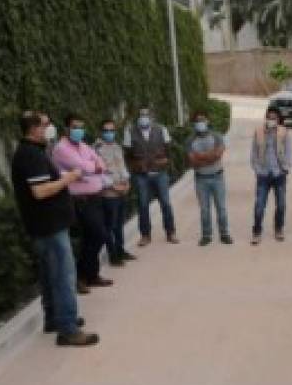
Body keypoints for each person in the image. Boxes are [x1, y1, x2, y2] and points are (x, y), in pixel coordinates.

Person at [10, 111, 99, 347]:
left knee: (50, 274)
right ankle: (68, 328)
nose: (50, 128)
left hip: (45, 225)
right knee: (63, 276)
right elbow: (40, 191)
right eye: (46, 124)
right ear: (34, 129)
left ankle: (53, 318)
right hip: (49, 226)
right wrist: (69, 178)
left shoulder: (34, 152)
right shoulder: (30, 155)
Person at [51, 114, 113, 292]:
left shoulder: (84, 146)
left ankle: (92, 275)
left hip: (95, 197)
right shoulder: (61, 149)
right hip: (80, 201)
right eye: (75, 127)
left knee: (93, 238)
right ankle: (80, 277)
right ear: (66, 129)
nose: (79, 131)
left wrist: (93, 165)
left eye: (81, 127)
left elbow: (100, 161)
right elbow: (85, 167)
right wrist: (93, 166)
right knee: (95, 236)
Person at [123, 105, 178, 246]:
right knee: (142, 205)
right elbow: (127, 155)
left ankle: (170, 232)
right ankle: (145, 235)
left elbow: (169, 149)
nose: (144, 117)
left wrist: (165, 161)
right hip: (141, 175)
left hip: (160, 173)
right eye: (141, 115)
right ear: (138, 117)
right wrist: (134, 166)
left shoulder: (162, 129)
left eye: (146, 115)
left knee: (165, 203)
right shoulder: (130, 131)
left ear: (151, 116)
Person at [186, 109, 232, 246]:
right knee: (204, 209)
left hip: (218, 177)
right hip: (200, 179)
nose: (200, 123)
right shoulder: (190, 140)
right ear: (194, 123)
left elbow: (218, 155)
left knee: (221, 208)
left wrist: (201, 156)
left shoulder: (217, 136)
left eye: (202, 120)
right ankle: (206, 235)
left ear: (208, 121)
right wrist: (209, 156)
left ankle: (224, 234)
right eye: (197, 121)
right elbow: (192, 161)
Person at [250, 105, 292, 244]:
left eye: (274, 118)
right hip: (263, 174)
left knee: (281, 204)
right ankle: (256, 231)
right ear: (266, 118)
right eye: (269, 117)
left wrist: (285, 168)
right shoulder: (259, 132)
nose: (271, 120)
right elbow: (253, 153)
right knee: (259, 205)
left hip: (279, 174)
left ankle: (278, 228)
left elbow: (288, 152)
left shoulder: (284, 132)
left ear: (278, 119)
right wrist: (257, 169)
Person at [95, 118, 135, 266]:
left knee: (119, 224)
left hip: (121, 191)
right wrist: (113, 187)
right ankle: (113, 255)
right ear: (101, 132)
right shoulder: (97, 149)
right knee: (110, 226)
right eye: (106, 130)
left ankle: (121, 250)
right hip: (108, 194)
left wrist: (127, 181)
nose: (109, 133)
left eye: (112, 130)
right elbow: (99, 173)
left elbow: (122, 167)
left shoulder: (117, 147)